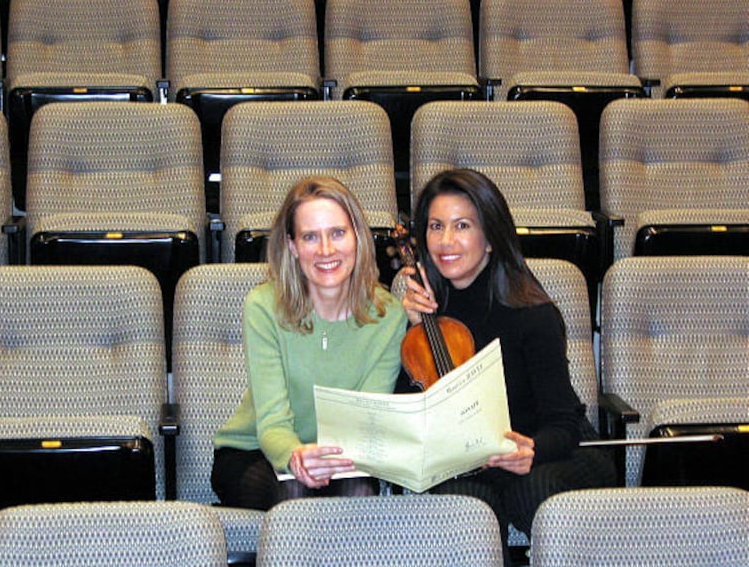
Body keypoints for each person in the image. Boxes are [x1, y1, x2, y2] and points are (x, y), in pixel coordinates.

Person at [400, 169, 616, 547]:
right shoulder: (424, 312)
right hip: (468, 463)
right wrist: (411, 328)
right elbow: (410, 409)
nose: (445, 241)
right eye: (435, 226)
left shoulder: (532, 314)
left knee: (532, 491)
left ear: (489, 238)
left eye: (462, 225)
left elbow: (563, 424)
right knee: (465, 506)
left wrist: (530, 450)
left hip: (545, 451)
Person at [211, 176, 407, 510]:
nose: (326, 250)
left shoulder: (389, 316)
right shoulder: (263, 306)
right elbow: (272, 422)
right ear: (292, 246)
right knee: (295, 497)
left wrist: (326, 459)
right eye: (310, 237)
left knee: (359, 491)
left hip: (340, 456)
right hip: (254, 453)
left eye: (338, 233)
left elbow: (363, 422)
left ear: (357, 237)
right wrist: (296, 457)